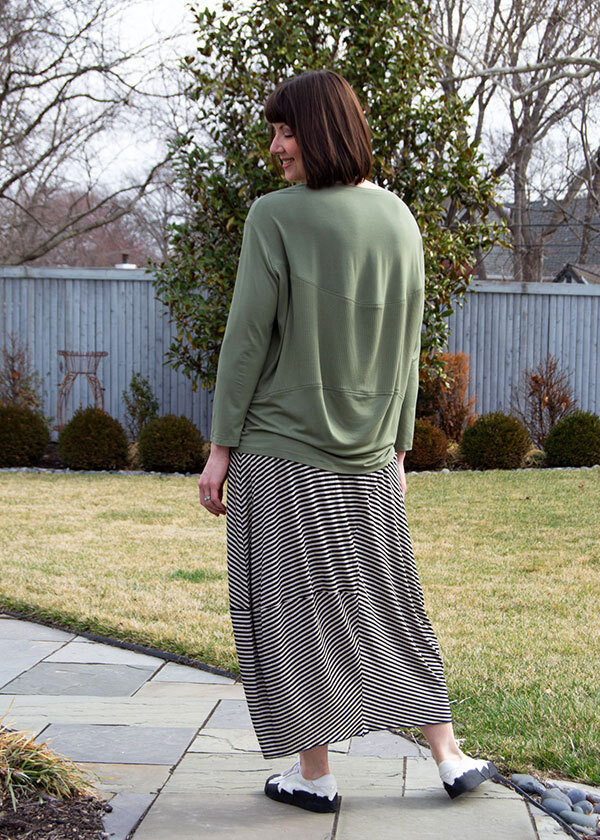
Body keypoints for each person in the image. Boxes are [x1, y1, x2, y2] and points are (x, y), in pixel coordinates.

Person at [198, 69, 497, 813]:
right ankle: (448, 753)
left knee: (292, 611)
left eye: (286, 130)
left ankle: (315, 774)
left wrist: (219, 447)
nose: (275, 147)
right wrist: (398, 446)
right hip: (369, 455)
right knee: (389, 602)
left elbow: (244, 343)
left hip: (280, 450)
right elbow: (406, 343)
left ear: (321, 131)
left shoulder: (274, 217)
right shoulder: (398, 217)